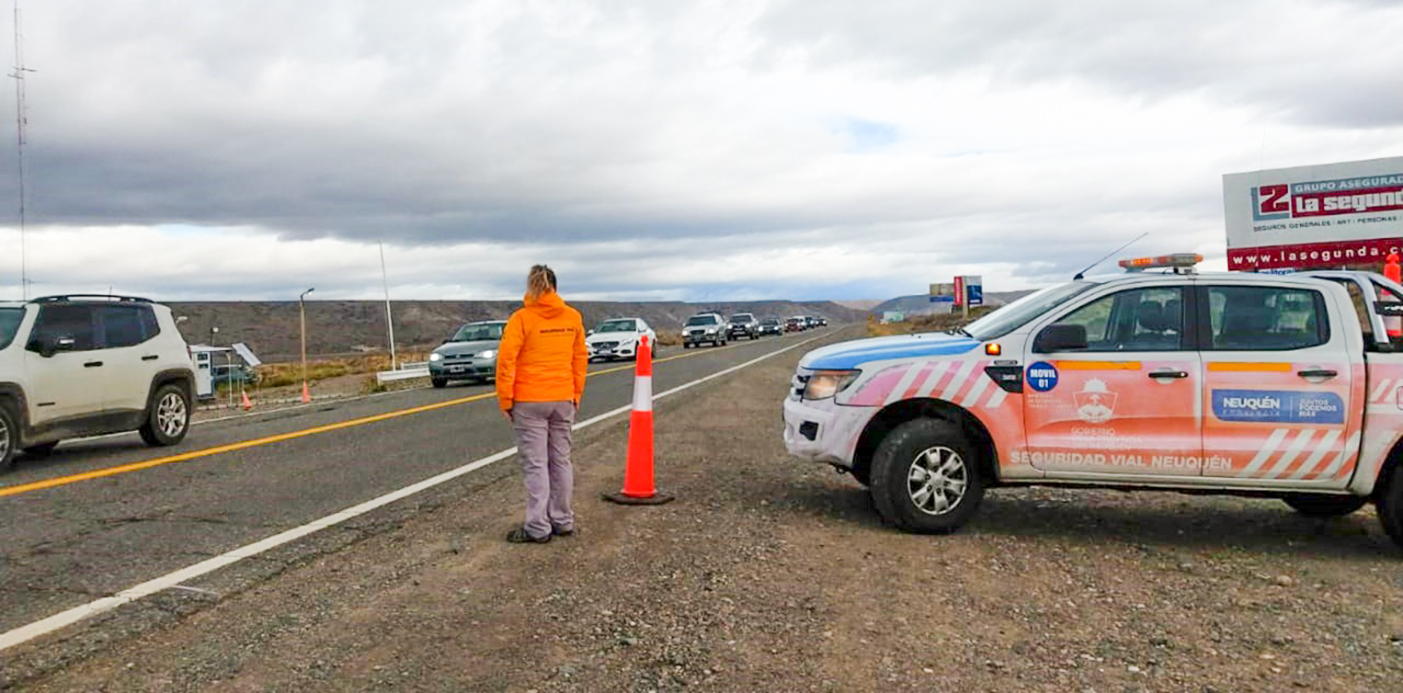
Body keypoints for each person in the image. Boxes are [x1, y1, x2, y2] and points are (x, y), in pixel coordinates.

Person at [495, 264, 588, 544]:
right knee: (561, 460)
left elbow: (506, 361)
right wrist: (575, 394)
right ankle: (562, 519)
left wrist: (506, 399)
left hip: (530, 400)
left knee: (536, 464)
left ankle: (538, 526)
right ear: (555, 287)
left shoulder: (521, 319)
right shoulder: (573, 317)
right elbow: (580, 359)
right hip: (562, 398)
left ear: (531, 287)